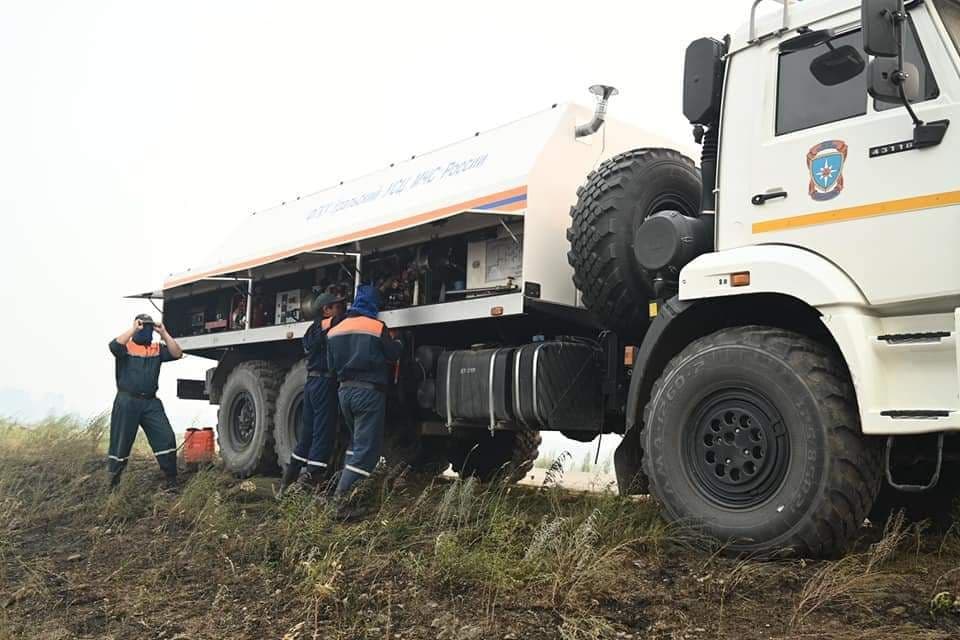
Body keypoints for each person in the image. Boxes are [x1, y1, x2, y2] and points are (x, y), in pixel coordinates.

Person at [326, 284, 403, 502]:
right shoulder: (376, 327)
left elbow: (331, 367)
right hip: (368, 394)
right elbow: (393, 353)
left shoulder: (334, 330)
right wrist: (398, 341)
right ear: (373, 304)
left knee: (356, 444)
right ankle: (341, 501)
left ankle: (342, 491)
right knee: (367, 452)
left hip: (345, 393)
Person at [279, 291, 347, 494]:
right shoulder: (326, 325)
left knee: (307, 434)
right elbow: (341, 320)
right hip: (324, 383)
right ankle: (312, 485)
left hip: (311, 383)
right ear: (326, 310)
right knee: (323, 434)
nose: (341, 309)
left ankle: (287, 483)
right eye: (337, 306)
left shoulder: (311, 329)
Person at [107, 314, 183, 489]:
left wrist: (163, 333)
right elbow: (113, 346)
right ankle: (113, 484)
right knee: (121, 443)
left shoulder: (156, 349)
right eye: (143, 326)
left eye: (149, 327)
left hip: (150, 403)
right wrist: (134, 328)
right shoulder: (126, 346)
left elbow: (177, 353)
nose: (146, 330)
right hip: (127, 401)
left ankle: (171, 480)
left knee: (166, 438)